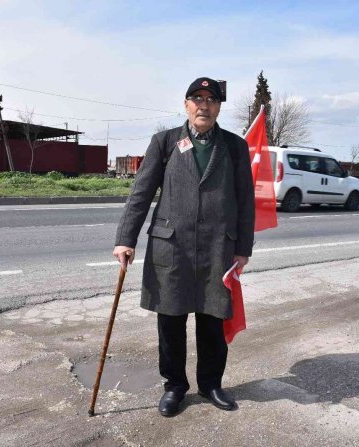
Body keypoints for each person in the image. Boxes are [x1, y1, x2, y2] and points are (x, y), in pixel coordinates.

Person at [113, 77, 255, 417]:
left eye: (211, 99)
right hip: (171, 248)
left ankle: (210, 384)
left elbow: (245, 201)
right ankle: (174, 386)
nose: (204, 105)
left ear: (219, 106)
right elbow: (141, 193)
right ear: (186, 104)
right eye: (197, 98)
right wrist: (125, 239)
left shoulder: (234, 147)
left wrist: (243, 248)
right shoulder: (164, 142)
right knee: (171, 323)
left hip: (218, 249)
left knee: (212, 321)